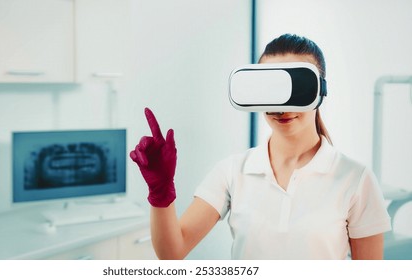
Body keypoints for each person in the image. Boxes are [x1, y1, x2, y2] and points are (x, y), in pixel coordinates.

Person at [129, 34, 391, 260]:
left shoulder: (355, 179)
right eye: (271, 88)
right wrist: (160, 192)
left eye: (296, 89)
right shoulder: (233, 171)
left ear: (319, 92)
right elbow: (172, 253)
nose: (281, 108)